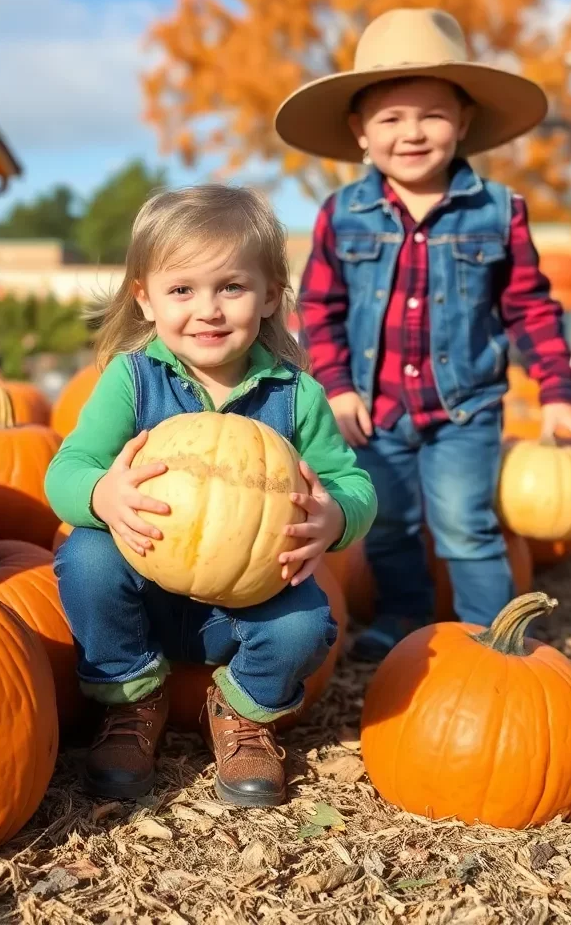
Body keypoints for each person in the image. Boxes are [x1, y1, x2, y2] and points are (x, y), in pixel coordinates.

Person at [274, 7, 571, 661]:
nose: (412, 132)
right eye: (391, 118)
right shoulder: (342, 214)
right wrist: (334, 388)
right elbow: (320, 309)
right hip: (375, 407)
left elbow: (531, 309)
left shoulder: (498, 212)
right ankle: (402, 615)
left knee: (466, 526)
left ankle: (497, 633)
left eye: (432, 114)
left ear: (464, 123)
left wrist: (558, 394)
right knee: (388, 523)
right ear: (360, 131)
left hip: (465, 408)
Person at [45, 184, 376, 807]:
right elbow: (67, 468)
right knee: (85, 557)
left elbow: (353, 484)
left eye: (231, 287)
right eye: (181, 290)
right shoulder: (131, 380)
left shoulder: (297, 396)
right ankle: (131, 700)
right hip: (143, 588)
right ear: (144, 298)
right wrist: (102, 494)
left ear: (271, 295)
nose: (209, 310)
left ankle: (243, 707)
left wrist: (334, 517)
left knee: (308, 621)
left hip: (249, 599)